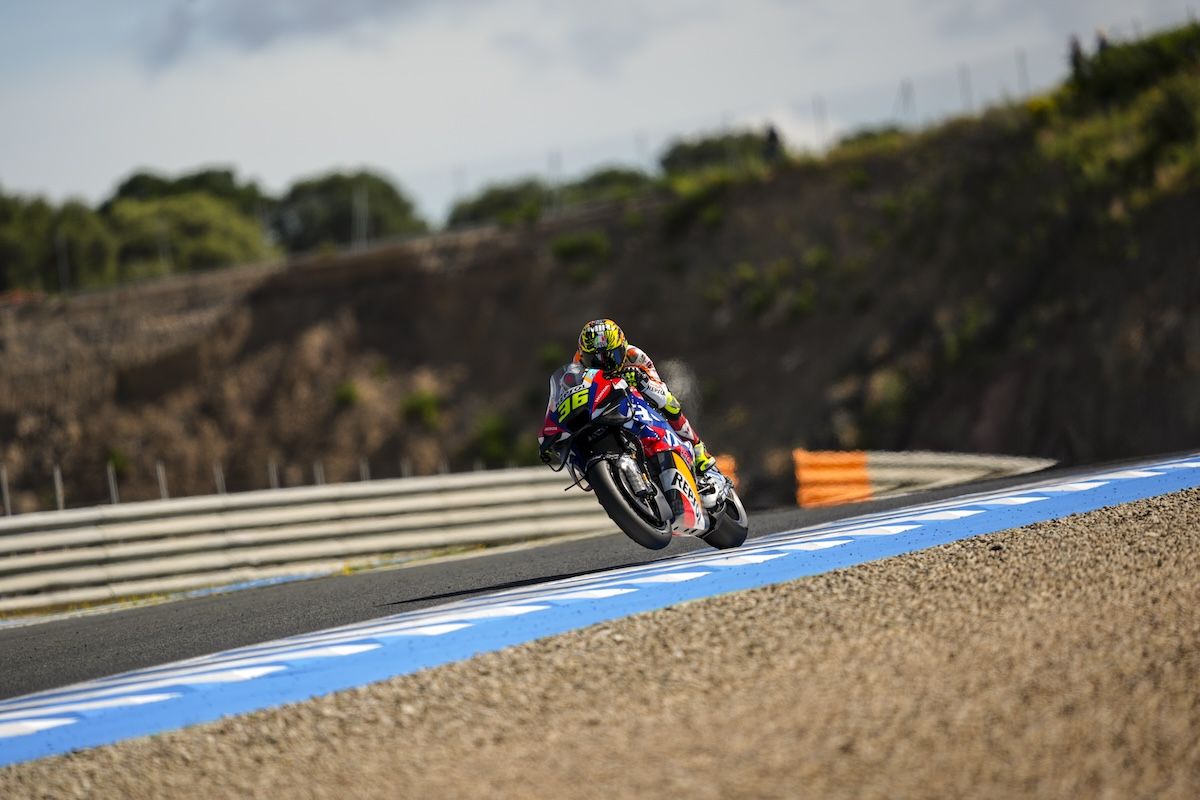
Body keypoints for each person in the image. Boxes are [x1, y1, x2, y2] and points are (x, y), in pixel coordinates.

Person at [548, 318, 720, 483]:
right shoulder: (577, 363)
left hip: (635, 399)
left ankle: (697, 448)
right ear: (582, 356)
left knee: (670, 403)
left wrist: (641, 381)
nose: (604, 364)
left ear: (622, 348)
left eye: (611, 357)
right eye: (594, 360)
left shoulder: (634, 355)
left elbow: (660, 388)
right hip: (604, 402)